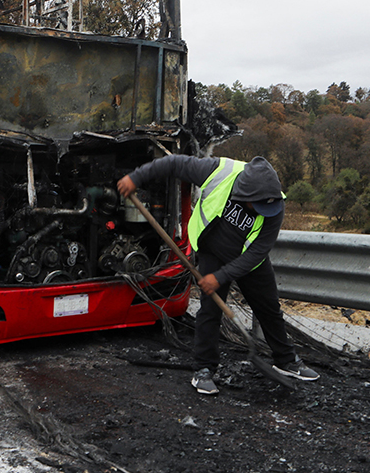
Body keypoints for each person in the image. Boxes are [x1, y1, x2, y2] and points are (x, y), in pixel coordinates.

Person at [117, 155, 319, 394]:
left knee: (269, 308)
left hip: (249, 260)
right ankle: (203, 369)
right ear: (245, 195)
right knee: (210, 311)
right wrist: (135, 177)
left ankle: (285, 360)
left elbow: (257, 253)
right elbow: (173, 164)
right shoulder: (217, 171)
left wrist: (221, 277)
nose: (265, 210)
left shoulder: (275, 206)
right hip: (213, 251)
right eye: (258, 206)